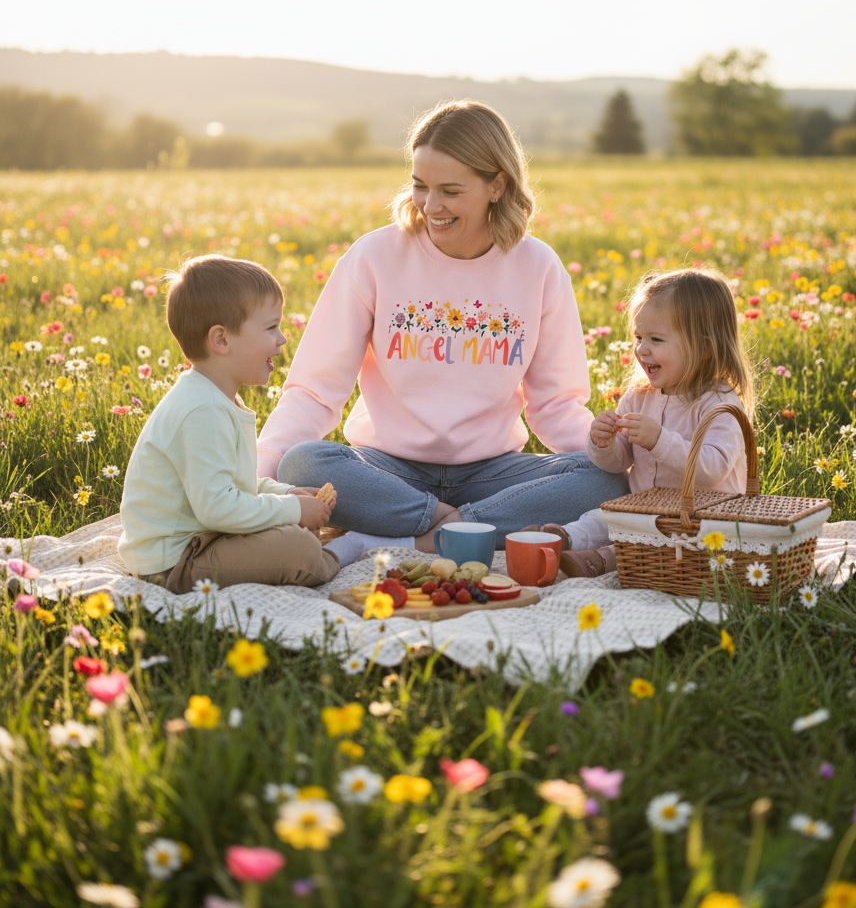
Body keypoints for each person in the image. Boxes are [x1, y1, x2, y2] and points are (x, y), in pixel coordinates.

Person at [257, 100, 627, 563]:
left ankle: (417, 533)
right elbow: (314, 391)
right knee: (303, 463)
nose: (431, 206)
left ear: (497, 185)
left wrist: (611, 458)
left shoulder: (538, 267)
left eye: (450, 191)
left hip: (493, 472)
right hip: (386, 471)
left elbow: (555, 406)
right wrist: (255, 477)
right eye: (420, 186)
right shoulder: (374, 257)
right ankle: (464, 528)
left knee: (608, 477)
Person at [118, 255, 342, 593]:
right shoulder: (201, 410)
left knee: (294, 533)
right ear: (221, 340)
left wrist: (287, 494)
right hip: (175, 561)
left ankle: (314, 546)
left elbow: (236, 486)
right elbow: (218, 508)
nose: (281, 339)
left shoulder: (215, 398)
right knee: (299, 549)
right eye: (271, 328)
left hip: (204, 539)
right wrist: (294, 509)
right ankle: (341, 554)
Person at [533, 267, 755, 577]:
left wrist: (658, 440)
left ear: (704, 348)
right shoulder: (640, 396)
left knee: (656, 540)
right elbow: (619, 462)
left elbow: (711, 470)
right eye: (638, 337)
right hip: (642, 510)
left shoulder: (720, 404)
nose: (642, 349)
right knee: (604, 516)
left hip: (705, 523)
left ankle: (601, 560)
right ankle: (562, 538)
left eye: (656, 339)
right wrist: (602, 443)